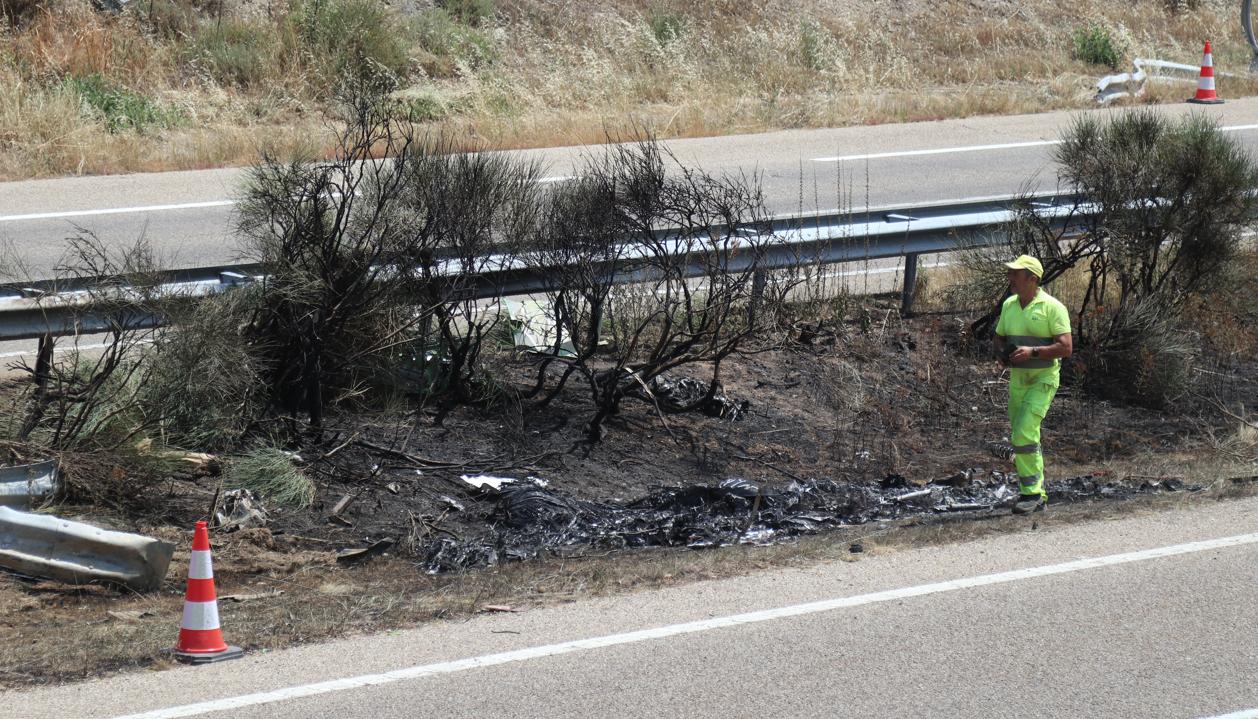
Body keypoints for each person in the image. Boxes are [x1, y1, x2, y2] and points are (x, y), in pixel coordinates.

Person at [994, 255, 1072, 514]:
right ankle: (1034, 491)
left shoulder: (1053, 307)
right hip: (1018, 380)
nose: (1010, 278)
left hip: (1043, 379)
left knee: (1024, 432)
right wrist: (1002, 355)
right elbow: (999, 338)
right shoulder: (1009, 305)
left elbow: (1066, 347)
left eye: (1015, 274)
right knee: (1023, 435)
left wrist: (1033, 352)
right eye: (1010, 273)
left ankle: (1033, 494)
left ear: (1032, 279)